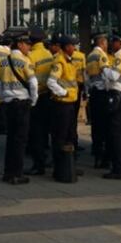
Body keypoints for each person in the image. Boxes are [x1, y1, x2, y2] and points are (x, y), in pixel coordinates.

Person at [0, 33, 38, 184]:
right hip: (22, 103)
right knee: (20, 140)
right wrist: (33, 100)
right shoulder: (24, 61)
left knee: (10, 139)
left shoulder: (3, 62)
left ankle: (8, 173)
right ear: (20, 44)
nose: (29, 47)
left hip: (8, 103)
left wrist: (3, 97)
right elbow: (33, 83)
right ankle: (17, 173)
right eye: (27, 44)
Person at [47, 35, 83, 178]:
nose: (74, 48)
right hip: (62, 104)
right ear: (66, 47)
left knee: (69, 135)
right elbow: (51, 82)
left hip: (69, 103)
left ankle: (69, 165)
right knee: (60, 136)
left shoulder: (68, 60)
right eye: (72, 45)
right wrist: (64, 93)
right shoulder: (60, 61)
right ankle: (59, 167)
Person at [102, 33, 121, 179]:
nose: (111, 44)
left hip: (117, 96)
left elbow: (114, 76)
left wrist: (104, 68)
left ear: (120, 43)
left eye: (113, 41)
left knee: (116, 134)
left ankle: (118, 169)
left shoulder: (120, 56)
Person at [26, 28, 54, 175]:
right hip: (47, 96)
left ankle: (38, 164)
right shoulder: (48, 54)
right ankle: (45, 156)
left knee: (35, 132)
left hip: (35, 98)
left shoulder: (30, 56)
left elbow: (30, 79)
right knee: (44, 131)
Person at [85, 33, 111, 168]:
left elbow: (86, 78)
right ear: (102, 43)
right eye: (106, 43)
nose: (107, 46)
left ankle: (97, 156)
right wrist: (109, 89)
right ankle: (104, 158)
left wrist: (88, 91)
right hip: (102, 94)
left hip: (94, 93)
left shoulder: (90, 56)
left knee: (96, 126)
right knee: (105, 126)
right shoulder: (102, 56)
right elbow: (106, 75)